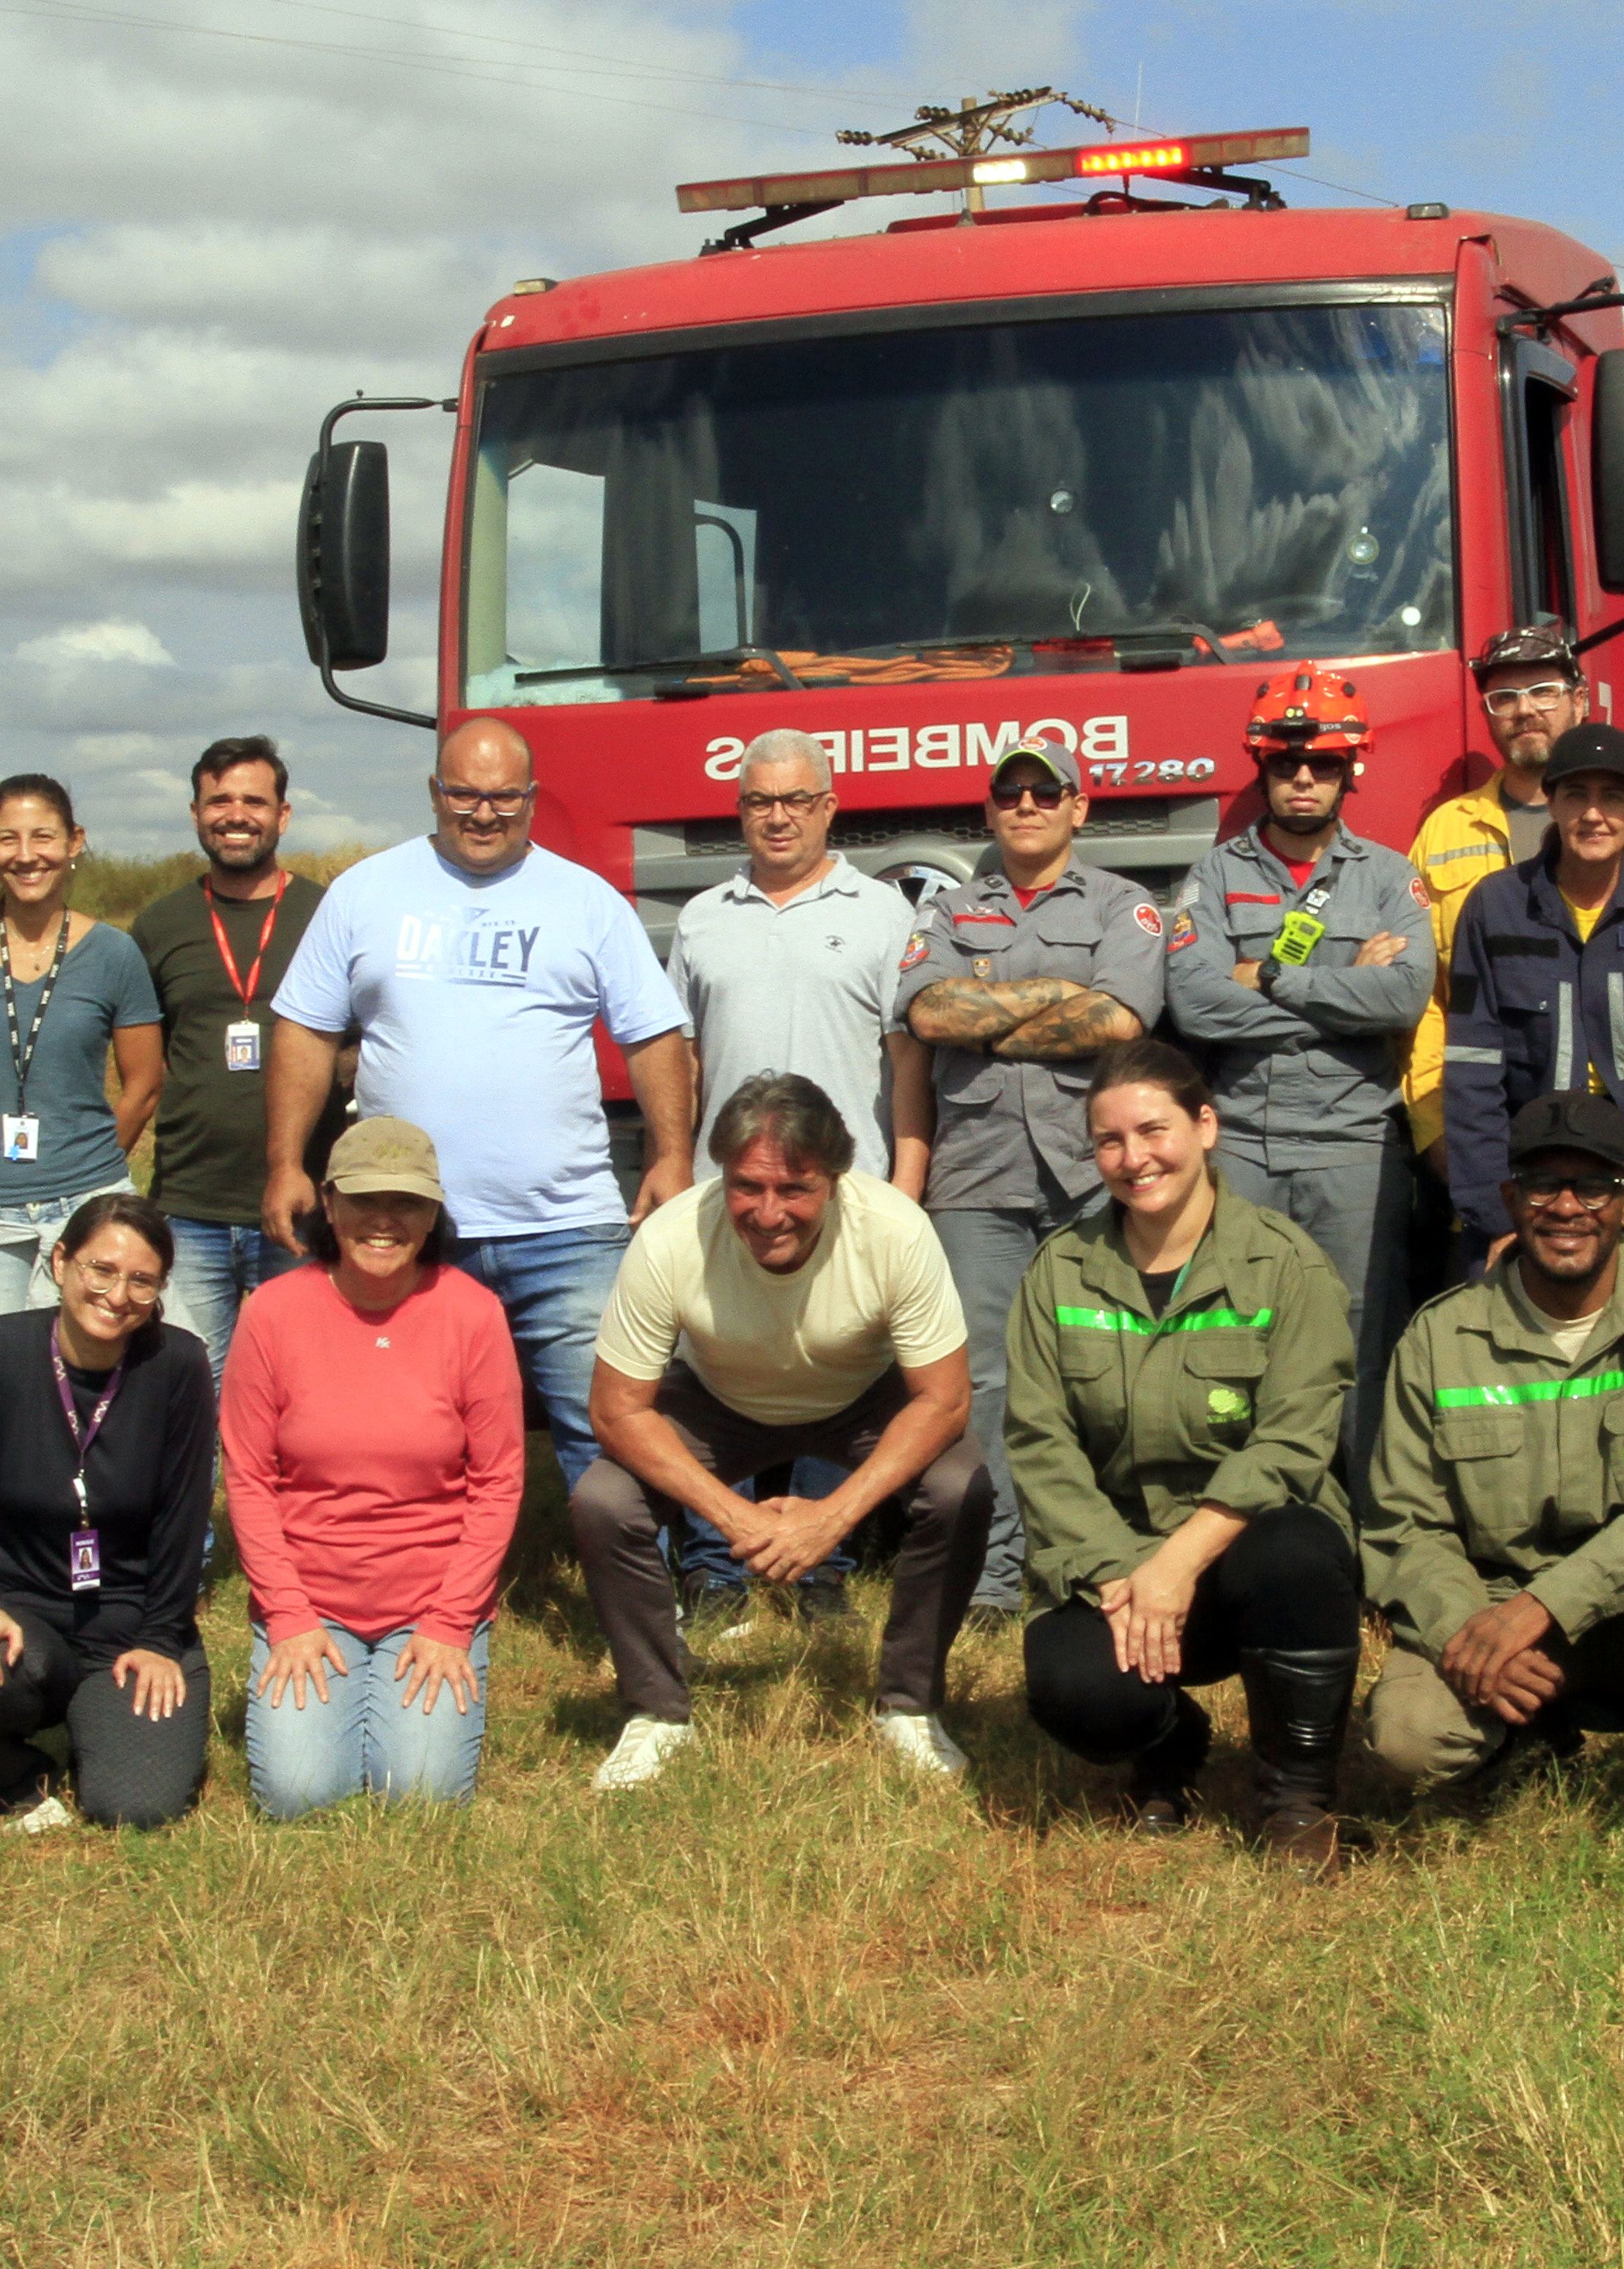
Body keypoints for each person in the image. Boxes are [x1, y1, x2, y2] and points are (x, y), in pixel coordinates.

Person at [263, 718, 698, 1502]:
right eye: (464, 793)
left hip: (564, 1228)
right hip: (408, 1227)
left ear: (531, 798)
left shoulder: (584, 900)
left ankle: (642, 1603)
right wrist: (287, 1163)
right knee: (403, 1431)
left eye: (504, 797)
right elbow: (303, 1029)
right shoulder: (368, 892)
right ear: (435, 792)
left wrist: (672, 1156)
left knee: (609, 1428)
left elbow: (655, 1034)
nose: (484, 813)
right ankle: (414, 1590)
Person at [1361, 1092, 1624, 1835]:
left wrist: (1546, 1609)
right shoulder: (1439, 1335)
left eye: (1593, 1187)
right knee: (1405, 1743)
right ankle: (1522, 1737)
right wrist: (1469, 1630)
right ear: (1511, 1199)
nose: (1567, 1206)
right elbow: (1402, 1524)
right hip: (1492, 1603)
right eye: (1544, 1185)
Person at [569, 1074, 994, 1789]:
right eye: (747, 1187)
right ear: (721, 1175)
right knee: (603, 1500)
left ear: (834, 1178)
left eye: (794, 1189)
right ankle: (656, 1714)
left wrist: (832, 1517)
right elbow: (616, 1410)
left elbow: (945, 1401)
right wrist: (734, 1514)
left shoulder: (893, 1228)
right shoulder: (674, 1235)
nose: (768, 1213)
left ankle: (909, 1704)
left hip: (861, 1397)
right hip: (719, 1397)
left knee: (960, 1486)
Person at [1012, 1039, 1365, 1868]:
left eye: (1154, 1130)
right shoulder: (1059, 1272)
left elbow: (1294, 1440)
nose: (1134, 1159)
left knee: (1304, 1556)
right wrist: (1119, 1574)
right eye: (1109, 1140)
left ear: (1206, 1126)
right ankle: (1169, 1747)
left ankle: (1297, 1800)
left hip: (1247, 1552)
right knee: (1076, 1693)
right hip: (1119, 1561)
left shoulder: (1285, 1265)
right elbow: (1039, 1441)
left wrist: (1179, 1566)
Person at [892, 738, 1167, 1611]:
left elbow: (1123, 1020)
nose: (1025, 804)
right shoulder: (945, 911)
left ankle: (1103, 1563)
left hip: (1096, 1175)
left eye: (1045, 792)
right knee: (981, 1385)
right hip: (975, 1179)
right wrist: (1059, 998)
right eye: (1008, 792)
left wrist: (986, 1014)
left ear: (1078, 807)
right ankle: (994, 1574)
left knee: (1109, 1371)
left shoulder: (1127, 906)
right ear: (989, 809)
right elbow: (927, 1009)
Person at [0, 773, 163, 1645]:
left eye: (44, 837)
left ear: (76, 842)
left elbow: (143, 1079)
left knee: (84, 1410)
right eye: (9, 838)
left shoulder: (115, 954)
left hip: (85, 1204)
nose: (27, 855)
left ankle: (83, 1593)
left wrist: (87, 1163)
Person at [1162, 663, 1434, 1479]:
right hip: (1241, 1143)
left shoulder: (1389, 877)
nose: (1304, 778)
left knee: (1357, 1345)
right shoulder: (1216, 875)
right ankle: (1244, 1536)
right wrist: (1345, 981)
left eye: (1321, 763)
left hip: (1356, 1149)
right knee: (1237, 1342)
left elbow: (1403, 996)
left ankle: (1357, 1544)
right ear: (1263, 768)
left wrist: (1270, 976)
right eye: (1286, 764)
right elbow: (1194, 1005)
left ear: (1352, 768)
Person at [225, 1120, 524, 1816]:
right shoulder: (272, 1313)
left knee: (419, 1796)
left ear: (433, 1214)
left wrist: (451, 1620)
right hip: (309, 1599)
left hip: (429, 1601)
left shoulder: (473, 1315)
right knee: (298, 1796)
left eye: (408, 1203)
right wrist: (289, 1615)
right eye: (365, 1200)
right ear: (328, 1204)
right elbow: (247, 1474)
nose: (384, 1221)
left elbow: (500, 1478)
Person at [0, 1196, 216, 1830]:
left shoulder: (179, 1366)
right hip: (20, 1609)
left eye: (142, 1280)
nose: (118, 1294)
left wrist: (161, 1639)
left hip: (130, 1622)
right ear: (61, 1263)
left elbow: (184, 1516)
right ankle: (10, 1777)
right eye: (100, 1269)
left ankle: (101, 1733)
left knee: (135, 1806)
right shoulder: (3, 1349)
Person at [1402, 618, 1624, 1154]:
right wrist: (1436, 1129)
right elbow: (1428, 999)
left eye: (1543, 691)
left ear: (1580, 700)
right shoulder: (1445, 829)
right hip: (1497, 1129)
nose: (1524, 709)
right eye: (1504, 696)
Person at [1436, 719, 1624, 1262]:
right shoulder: (1494, 909)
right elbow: (1471, 1072)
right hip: (1527, 1186)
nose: (1593, 814)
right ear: (1552, 803)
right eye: (1576, 795)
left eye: (1612, 797)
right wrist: (1497, 1217)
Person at [128, 736, 344, 1376]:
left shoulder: (328, 914)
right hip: (190, 1203)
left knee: (304, 1384)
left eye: (254, 799)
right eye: (218, 800)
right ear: (195, 813)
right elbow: (146, 1060)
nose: (236, 814)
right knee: (191, 1387)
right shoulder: (160, 924)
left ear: (284, 815)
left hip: (305, 1205)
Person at [670, 728, 930, 1194]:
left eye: (796, 800)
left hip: (851, 1189)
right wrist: (672, 1168)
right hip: (730, 1192)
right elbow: (682, 1068)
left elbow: (909, 1064)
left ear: (828, 808)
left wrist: (907, 1186)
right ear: (740, 811)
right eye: (760, 802)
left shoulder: (886, 914)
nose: (777, 818)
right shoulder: (700, 918)